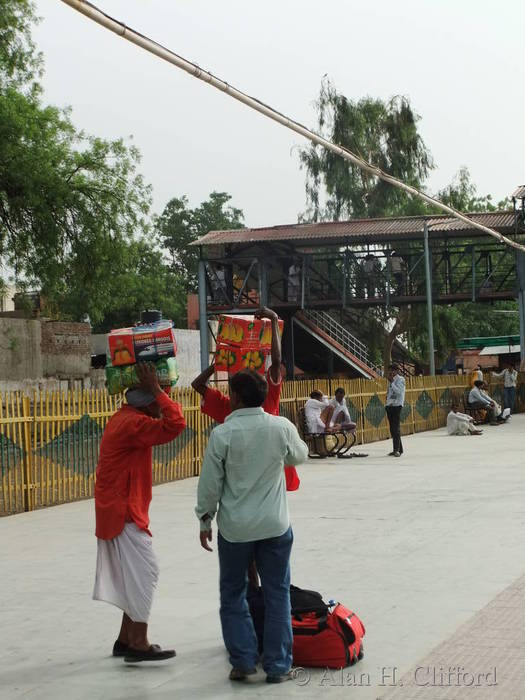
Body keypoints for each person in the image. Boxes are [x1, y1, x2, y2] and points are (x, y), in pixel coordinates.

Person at [195, 369, 308, 683]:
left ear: (237, 397)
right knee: (278, 594)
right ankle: (278, 666)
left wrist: (205, 519)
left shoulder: (223, 435)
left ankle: (243, 661)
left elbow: (209, 486)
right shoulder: (280, 426)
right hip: (275, 526)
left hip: (235, 530)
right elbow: (300, 456)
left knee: (233, 594)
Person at [93, 363, 186, 663]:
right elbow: (176, 423)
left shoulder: (124, 419)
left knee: (133, 577)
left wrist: (155, 391)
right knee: (147, 572)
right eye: (157, 402)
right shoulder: (134, 424)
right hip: (123, 512)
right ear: (148, 406)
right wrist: (157, 389)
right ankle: (138, 643)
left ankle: (125, 639)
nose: (161, 407)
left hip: (118, 509)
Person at [192, 307, 300, 491]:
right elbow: (275, 361)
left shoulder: (229, 409)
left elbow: (197, 385)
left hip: (247, 482)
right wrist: (273, 320)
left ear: (234, 395)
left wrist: (219, 362)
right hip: (258, 481)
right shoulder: (269, 410)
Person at [385, 364, 405, 457]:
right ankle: (398, 449)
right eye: (390, 370)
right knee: (392, 429)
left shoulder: (401, 379)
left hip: (397, 405)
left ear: (397, 371)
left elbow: (399, 392)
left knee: (395, 428)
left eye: (393, 370)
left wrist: (392, 382)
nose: (391, 372)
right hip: (390, 405)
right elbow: (390, 393)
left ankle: (396, 450)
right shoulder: (390, 380)